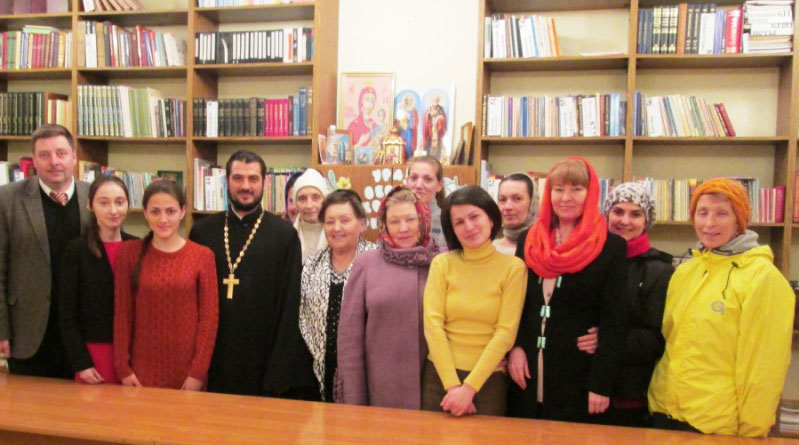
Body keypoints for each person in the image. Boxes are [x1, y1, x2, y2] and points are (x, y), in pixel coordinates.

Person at [648, 178, 794, 437]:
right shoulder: (686, 272)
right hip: (665, 413)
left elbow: (764, 368)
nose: (709, 223)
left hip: (719, 426)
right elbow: (670, 342)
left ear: (740, 220)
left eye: (722, 213)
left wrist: (752, 432)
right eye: (702, 212)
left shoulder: (763, 279)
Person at [507, 157, 626, 423]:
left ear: (591, 193)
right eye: (558, 189)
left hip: (578, 376)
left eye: (576, 189)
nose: (566, 197)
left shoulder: (611, 246)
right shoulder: (529, 240)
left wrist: (601, 384)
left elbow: (615, 321)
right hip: (526, 370)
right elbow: (516, 304)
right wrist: (515, 348)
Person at [190, 151, 315, 397]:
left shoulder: (284, 235)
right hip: (213, 357)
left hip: (263, 361)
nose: (245, 186)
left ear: (264, 183)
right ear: (226, 181)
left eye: (253, 179)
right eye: (238, 178)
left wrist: (279, 371)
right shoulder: (202, 232)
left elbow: (290, 306)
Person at [422, 185, 527, 417]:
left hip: (488, 380)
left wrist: (469, 389)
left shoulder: (513, 268)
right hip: (439, 377)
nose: (468, 227)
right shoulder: (442, 264)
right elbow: (433, 326)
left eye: (474, 217)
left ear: (491, 218)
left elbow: (505, 333)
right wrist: (453, 387)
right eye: (459, 222)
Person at [0, 124, 90, 378]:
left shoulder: (95, 197)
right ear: (34, 160)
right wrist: (1, 329)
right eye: (44, 155)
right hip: (28, 332)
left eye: (61, 153)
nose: (54, 162)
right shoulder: (7, 199)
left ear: (74, 157)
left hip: (82, 333)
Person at [337, 186, 440, 409]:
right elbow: (350, 340)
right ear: (383, 224)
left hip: (437, 389)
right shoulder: (366, 264)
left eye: (410, 219)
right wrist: (354, 400)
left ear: (422, 220)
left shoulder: (441, 262)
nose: (403, 228)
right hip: (382, 391)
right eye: (394, 221)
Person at [114, 181, 218, 390]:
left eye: (170, 211)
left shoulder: (202, 256)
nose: (163, 219)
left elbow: (209, 319)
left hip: (187, 374)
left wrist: (197, 373)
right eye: (155, 212)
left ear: (182, 212)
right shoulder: (128, 253)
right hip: (140, 372)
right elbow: (122, 314)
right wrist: (123, 369)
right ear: (145, 213)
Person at [600, 182, 674, 427]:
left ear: (646, 221)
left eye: (635, 214)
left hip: (631, 396)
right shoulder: (591, 259)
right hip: (586, 388)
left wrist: (605, 339)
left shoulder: (660, 270)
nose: (625, 221)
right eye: (618, 211)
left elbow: (657, 338)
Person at [299, 189, 376, 402]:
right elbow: (302, 319)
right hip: (317, 370)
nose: (337, 228)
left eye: (345, 220)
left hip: (366, 372)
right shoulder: (311, 266)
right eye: (330, 222)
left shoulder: (377, 262)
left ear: (362, 224)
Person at [59, 176, 137, 384]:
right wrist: (81, 363)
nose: (113, 210)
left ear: (128, 205)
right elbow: (67, 315)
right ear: (90, 205)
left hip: (134, 353)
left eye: (119, 202)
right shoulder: (76, 251)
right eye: (104, 203)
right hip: (95, 354)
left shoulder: (137, 247)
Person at [406, 156, 446, 250]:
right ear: (407, 182)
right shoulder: (394, 217)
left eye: (428, 179)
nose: (419, 185)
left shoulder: (447, 221)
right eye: (414, 178)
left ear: (440, 185)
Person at [494, 173, 538, 256]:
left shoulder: (546, 251)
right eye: (502, 199)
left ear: (533, 203)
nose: (508, 207)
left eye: (517, 199)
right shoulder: (490, 249)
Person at [293, 168, 329, 262]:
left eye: (315, 198)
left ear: (325, 200)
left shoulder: (336, 233)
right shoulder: (286, 236)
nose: (309, 205)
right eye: (302, 198)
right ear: (295, 203)